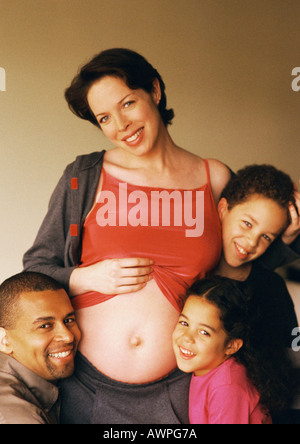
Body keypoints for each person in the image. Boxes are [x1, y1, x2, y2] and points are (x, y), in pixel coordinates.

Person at [23, 48, 232, 424]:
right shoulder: (84, 175)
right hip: (85, 387)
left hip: (181, 387)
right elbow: (36, 267)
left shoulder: (214, 178)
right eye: (105, 117)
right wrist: (86, 276)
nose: (120, 125)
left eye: (127, 103)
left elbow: (244, 269)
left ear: (154, 90)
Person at [173, 276, 294, 424]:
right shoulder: (210, 370)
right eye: (184, 323)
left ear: (231, 346)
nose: (187, 337)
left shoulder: (226, 387)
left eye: (204, 332)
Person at [214, 164, 299, 348]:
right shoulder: (194, 276)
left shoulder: (273, 287)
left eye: (267, 237)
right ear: (223, 209)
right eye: (247, 223)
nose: (252, 242)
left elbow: (294, 347)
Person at [0, 271, 81, 424]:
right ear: (3, 339)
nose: (68, 336)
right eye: (45, 326)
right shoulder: (13, 415)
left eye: (69, 320)